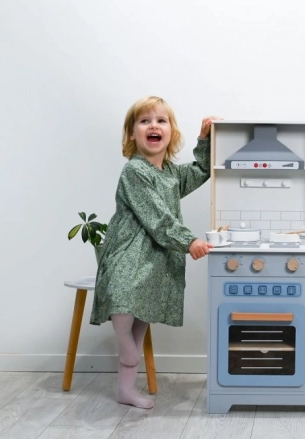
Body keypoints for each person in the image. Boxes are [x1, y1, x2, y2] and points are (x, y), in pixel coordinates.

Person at [90, 95, 220, 409]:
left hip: (157, 257)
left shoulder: (171, 175)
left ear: (171, 133)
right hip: (130, 250)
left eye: (161, 121)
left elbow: (202, 170)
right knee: (123, 293)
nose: (153, 126)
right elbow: (158, 217)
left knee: (143, 313)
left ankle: (126, 388)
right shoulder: (135, 171)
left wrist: (204, 138)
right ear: (132, 134)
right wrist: (189, 241)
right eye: (145, 121)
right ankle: (127, 350)